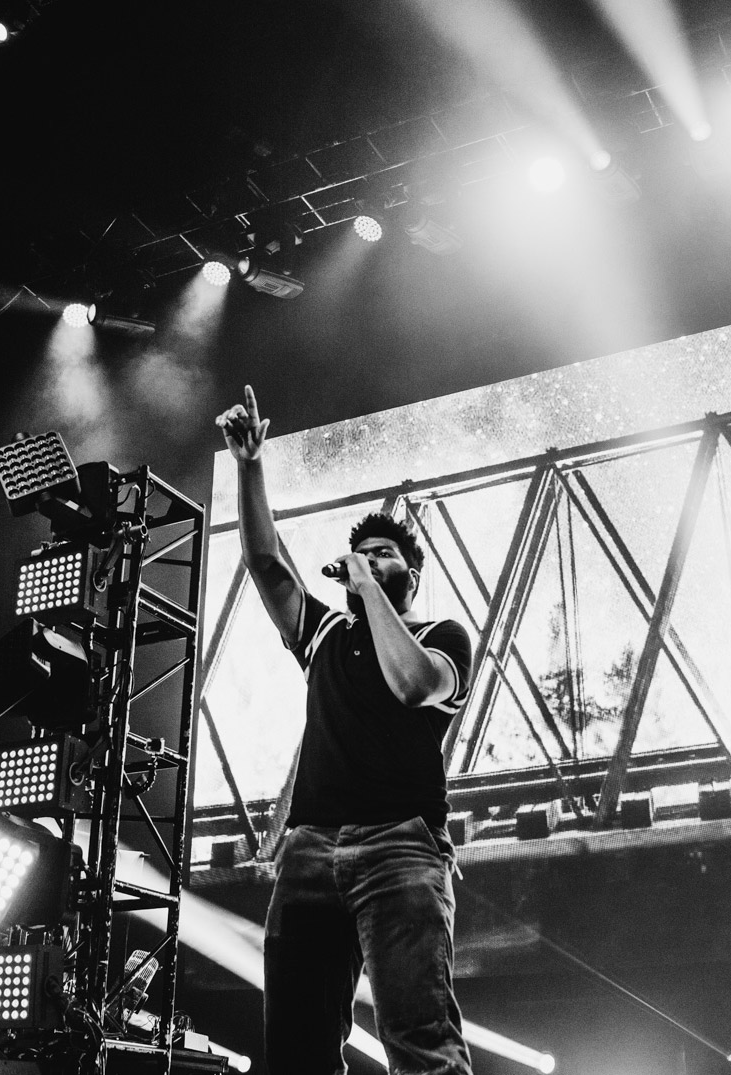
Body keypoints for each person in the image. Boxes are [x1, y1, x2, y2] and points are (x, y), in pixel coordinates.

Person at [215, 385, 474, 1075]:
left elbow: (412, 684)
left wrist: (365, 588)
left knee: (418, 1040)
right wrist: (249, 465)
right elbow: (267, 565)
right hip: (306, 855)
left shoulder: (441, 635)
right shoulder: (326, 634)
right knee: (297, 1051)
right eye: (364, 552)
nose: (371, 558)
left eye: (386, 553)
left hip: (400, 848)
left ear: (411, 574)